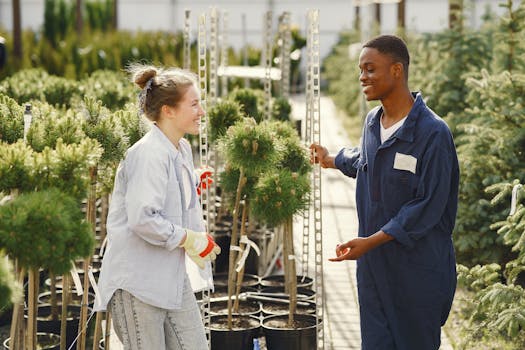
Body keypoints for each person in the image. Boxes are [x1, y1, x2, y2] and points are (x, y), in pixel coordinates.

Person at [311, 35, 459, 350]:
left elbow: (427, 206)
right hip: (374, 273)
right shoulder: (372, 123)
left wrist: (371, 241)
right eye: (360, 69)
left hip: (417, 274)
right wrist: (330, 159)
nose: (362, 77)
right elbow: (367, 160)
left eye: (370, 69)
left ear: (396, 70)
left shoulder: (433, 134)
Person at [95, 64, 220, 350]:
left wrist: (189, 185)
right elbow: (143, 219)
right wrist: (188, 238)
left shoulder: (180, 148)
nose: (201, 111)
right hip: (138, 285)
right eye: (194, 104)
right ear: (169, 110)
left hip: (170, 279)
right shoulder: (148, 154)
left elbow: (161, 196)